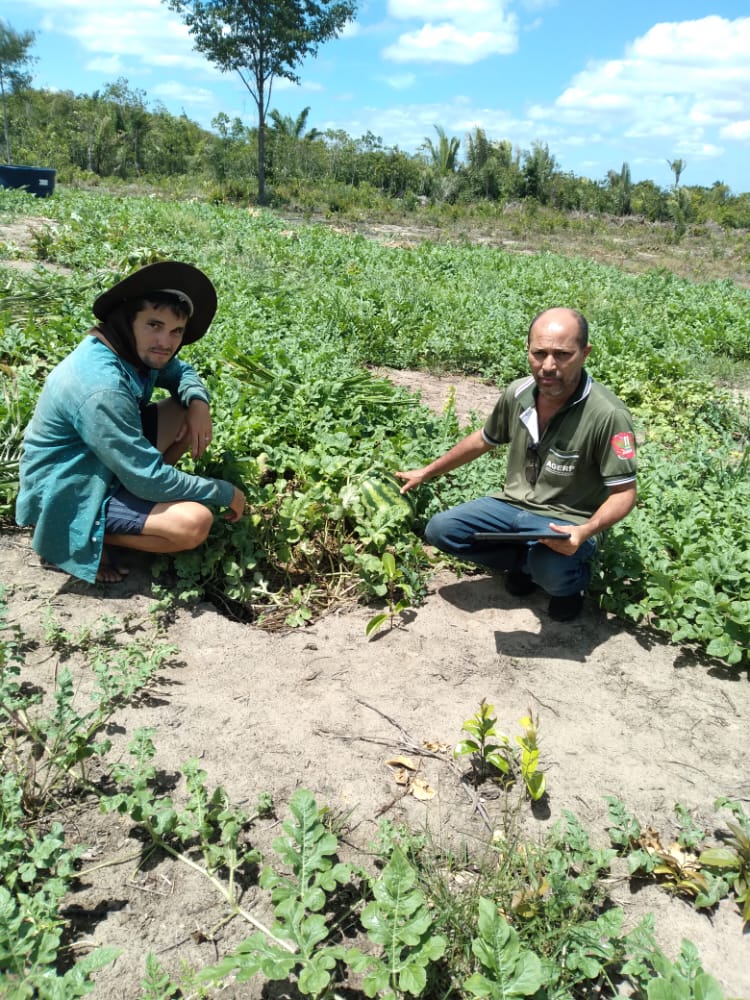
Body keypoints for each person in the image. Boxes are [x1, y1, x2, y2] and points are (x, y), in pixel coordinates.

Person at [396, 307, 637, 622]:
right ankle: (525, 563)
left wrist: (584, 530)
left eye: (562, 354)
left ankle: (570, 584)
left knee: (553, 569)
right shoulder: (518, 393)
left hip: (567, 519)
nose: (548, 366)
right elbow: (484, 439)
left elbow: (624, 493)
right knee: (442, 530)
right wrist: (428, 471)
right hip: (512, 506)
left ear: (584, 353)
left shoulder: (608, 414)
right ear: (528, 351)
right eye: (540, 353)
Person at [16, 261, 246, 584]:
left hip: (101, 465)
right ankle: (78, 536)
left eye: (175, 331)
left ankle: (132, 505)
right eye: (154, 325)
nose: (165, 342)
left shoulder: (130, 348)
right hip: (66, 490)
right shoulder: (101, 386)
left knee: (181, 408)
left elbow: (180, 372)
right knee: (194, 523)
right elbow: (147, 478)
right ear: (128, 319)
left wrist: (198, 401)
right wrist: (221, 491)